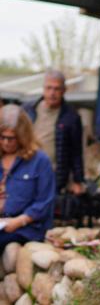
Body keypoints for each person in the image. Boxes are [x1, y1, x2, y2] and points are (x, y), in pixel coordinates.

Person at [0, 105, 56, 251]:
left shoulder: (40, 161)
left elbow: (45, 202)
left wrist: (19, 221)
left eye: (11, 138)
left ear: (22, 136)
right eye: (2, 137)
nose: (6, 142)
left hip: (26, 227)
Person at [22, 70, 84, 195]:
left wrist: (78, 180)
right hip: (25, 170)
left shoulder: (71, 116)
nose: (52, 93)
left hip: (53, 175)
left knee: (44, 211)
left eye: (57, 89)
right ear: (43, 88)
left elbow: (76, 151)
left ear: (64, 90)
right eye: (49, 88)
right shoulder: (28, 110)